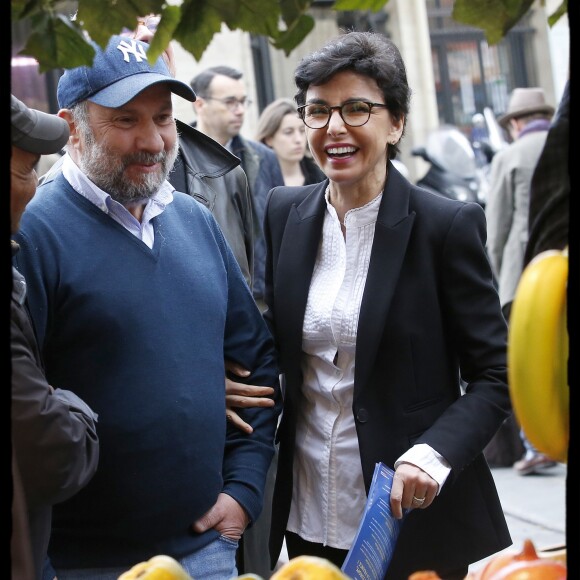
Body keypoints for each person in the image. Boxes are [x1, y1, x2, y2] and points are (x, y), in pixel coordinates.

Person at [13, 35, 281, 580]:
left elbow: (259, 368)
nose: (153, 140)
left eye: (162, 117)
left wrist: (243, 493)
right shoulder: (35, 233)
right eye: (126, 120)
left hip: (208, 551)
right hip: (81, 566)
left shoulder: (195, 220)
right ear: (72, 128)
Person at [261, 31, 512, 580]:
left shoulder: (445, 225)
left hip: (409, 511)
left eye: (357, 109)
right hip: (308, 505)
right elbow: (270, 343)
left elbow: (496, 374)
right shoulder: (284, 213)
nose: (334, 129)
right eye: (318, 111)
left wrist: (432, 455)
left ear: (395, 122)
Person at [10, 94, 100, 580]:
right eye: (26, 170)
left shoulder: (193, 218)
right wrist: (71, 403)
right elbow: (53, 452)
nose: (33, 187)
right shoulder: (42, 234)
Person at [485, 87, 557, 476]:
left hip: (526, 275)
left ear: (515, 123)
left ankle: (536, 443)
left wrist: (497, 273)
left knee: (529, 360)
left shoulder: (510, 156)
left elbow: (496, 227)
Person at [189, 66, 285, 310]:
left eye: (243, 102)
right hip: (202, 298)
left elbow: (279, 231)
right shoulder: (174, 158)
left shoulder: (264, 158)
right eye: (230, 102)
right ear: (199, 105)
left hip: (259, 299)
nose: (240, 110)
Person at [255, 97, 326, 186]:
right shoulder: (256, 181)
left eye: (301, 131)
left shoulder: (321, 178)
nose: (298, 139)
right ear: (269, 139)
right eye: (288, 132)